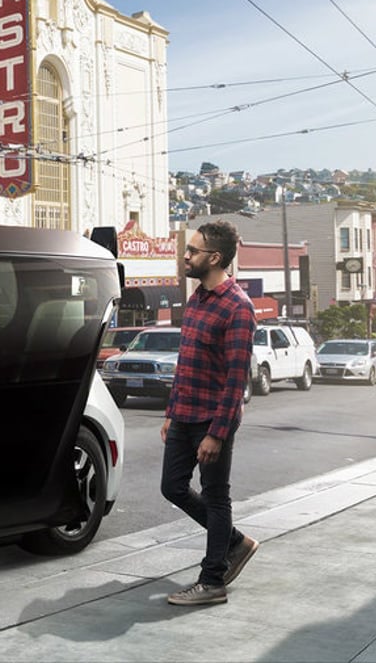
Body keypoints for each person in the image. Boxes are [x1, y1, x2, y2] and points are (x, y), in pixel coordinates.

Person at [162, 220, 259, 606]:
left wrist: (217, 433)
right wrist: (170, 412)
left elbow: (236, 380)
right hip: (184, 413)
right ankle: (234, 542)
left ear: (214, 257)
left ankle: (212, 579)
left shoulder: (238, 307)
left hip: (211, 419)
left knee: (217, 496)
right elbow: (185, 362)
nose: (186, 256)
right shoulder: (196, 299)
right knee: (172, 487)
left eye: (193, 250)